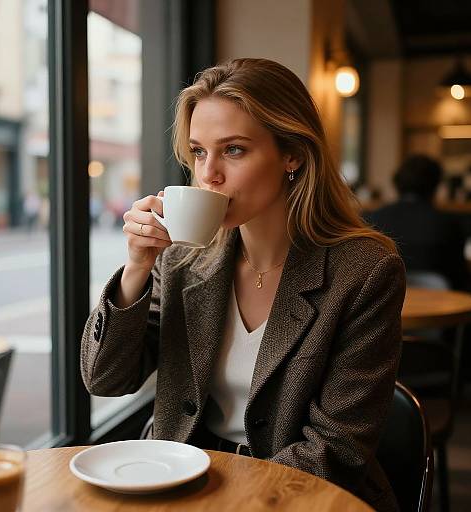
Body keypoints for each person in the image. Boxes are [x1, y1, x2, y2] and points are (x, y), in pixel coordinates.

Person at [81, 58, 405, 511]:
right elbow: (105, 379)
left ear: (291, 153)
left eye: (233, 150)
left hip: (298, 495)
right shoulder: (180, 259)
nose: (208, 173)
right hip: (178, 479)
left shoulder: (365, 269)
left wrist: (225, 499)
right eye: (198, 152)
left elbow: (337, 449)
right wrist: (136, 268)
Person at [365, 154, 468, 290]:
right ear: (435, 185)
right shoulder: (448, 222)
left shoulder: (373, 218)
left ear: (397, 183)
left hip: (385, 301)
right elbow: (459, 276)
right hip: (439, 303)